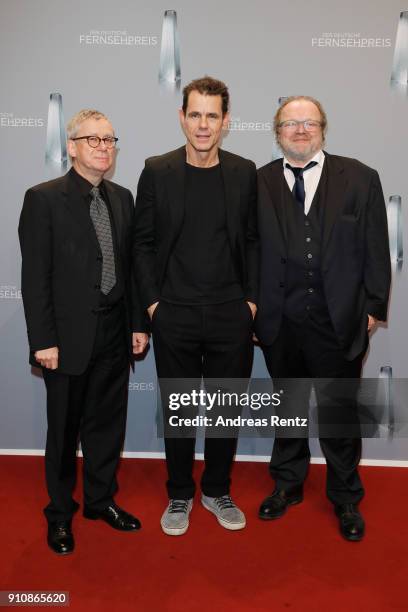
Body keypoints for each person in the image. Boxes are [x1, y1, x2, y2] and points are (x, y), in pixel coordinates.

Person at [255, 96, 391, 541]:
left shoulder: (360, 177)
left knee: (339, 414)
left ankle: (346, 496)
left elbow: (375, 247)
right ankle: (287, 484)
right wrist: (251, 308)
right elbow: (246, 251)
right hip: (280, 321)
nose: (300, 130)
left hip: (339, 321)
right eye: (290, 123)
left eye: (308, 122)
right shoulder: (256, 183)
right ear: (277, 132)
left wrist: (373, 307)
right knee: (288, 409)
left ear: (323, 129)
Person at [19, 109, 149, 554]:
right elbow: (35, 278)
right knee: (64, 432)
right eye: (92, 139)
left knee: (107, 427)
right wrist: (43, 341)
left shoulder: (123, 197)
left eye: (110, 139)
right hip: (67, 340)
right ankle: (59, 515)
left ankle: (100, 501)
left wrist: (136, 325)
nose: (103, 147)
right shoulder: (43, 198)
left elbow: (129, 270)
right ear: (71, 146)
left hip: (114, 333)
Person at [133, 76, 258, 535]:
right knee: (181, 409)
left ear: (226, 121)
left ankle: (217, 489)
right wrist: (152, 307)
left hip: (230, 312)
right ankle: (180, 494)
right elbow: (142, 245)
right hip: (175, 314)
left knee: (226, 408)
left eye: (212, 115)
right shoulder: (156, 170)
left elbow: (253, 239)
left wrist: (250, 303)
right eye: (195, 114)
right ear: (182, 118)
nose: (203, 125)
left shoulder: (245, 172)